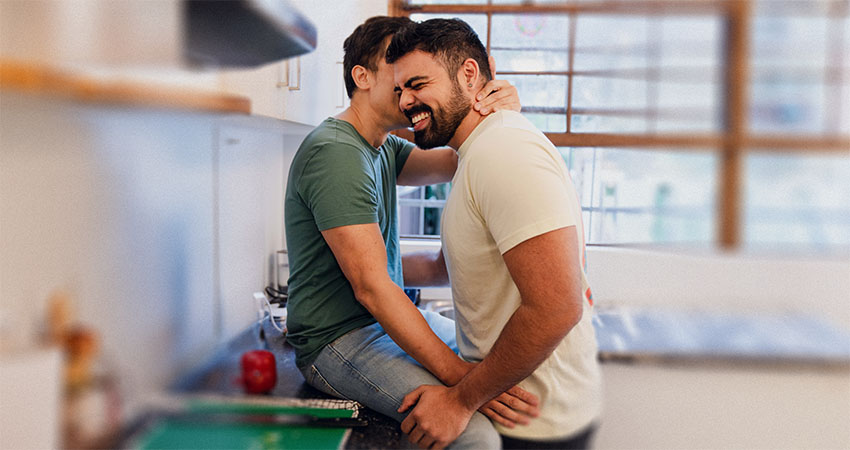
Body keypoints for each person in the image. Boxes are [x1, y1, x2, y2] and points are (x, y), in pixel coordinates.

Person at [282, 16, 539, 449]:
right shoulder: (337, 153)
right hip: (337, 341)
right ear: (361, 76)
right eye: (397, 77)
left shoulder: (381, 146)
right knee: (475, 433)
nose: (408, 92)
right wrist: (463, 383)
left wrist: (497, 110)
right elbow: (373, 289)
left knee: (494, 370)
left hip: (377, 327)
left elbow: (461, 155)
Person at [386, 18, 602, 450]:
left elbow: (558, 307)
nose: (406, 102)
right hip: (515, 409)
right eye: (398, 91)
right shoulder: (474, 154)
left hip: (534, 420)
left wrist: (459, 401)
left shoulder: (503, 150)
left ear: (469, 74)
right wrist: (363, 274)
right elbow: (442, 267)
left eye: (417, 84)